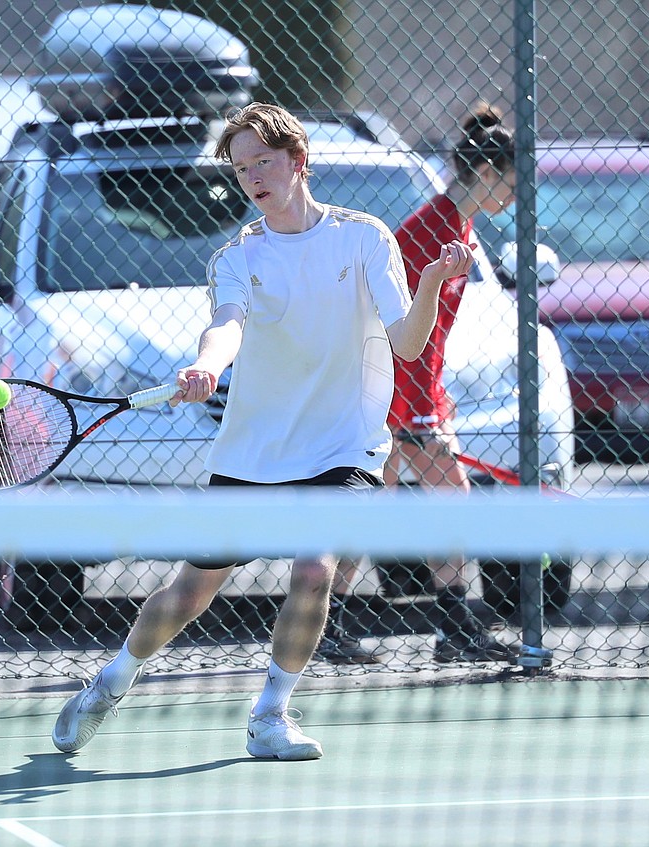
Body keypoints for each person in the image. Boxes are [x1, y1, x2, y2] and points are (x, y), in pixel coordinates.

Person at [52, 102, 474, 760]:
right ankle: (112, 678)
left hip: (346, 445)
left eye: (263, 162)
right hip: (257, 452)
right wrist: (205, 364)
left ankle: (271, 712)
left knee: (314, 567)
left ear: (298, 163)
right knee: (191, 590)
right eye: (241, 168)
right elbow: (227, 324)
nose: (252, 177)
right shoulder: (238, 255)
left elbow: (409, 344)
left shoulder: (363, 238)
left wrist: (428, 284)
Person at [385, 102, 519, 663]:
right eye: (511, 184)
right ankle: (453, 627)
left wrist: (435, 397)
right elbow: (399, 330)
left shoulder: (457, 226)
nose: (514, 197)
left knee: (370, 507)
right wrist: (416, 412)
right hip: (388, 393)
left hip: (412, 395)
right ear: (486, 172)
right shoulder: (429, 232)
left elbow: (433, 334)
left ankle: (446, 626)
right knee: (447, 501)